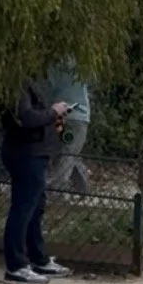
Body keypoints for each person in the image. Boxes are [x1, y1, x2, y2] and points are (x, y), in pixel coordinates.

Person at [1, 81, 72, 284]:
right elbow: (26, 117)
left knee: (35, 208)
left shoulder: (28, 82)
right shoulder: (16, 85)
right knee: (23, 209)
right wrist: (52, 112)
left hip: (36, 153)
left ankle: (37, 258)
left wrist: (54, 115)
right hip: (26, 153)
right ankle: (16, 266)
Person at [46, 61, 92, 194]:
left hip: (57, 114)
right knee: (69, 153)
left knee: (64, 153)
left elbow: (48, 88)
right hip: (78, 115)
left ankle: (77, 187)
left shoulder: (51, 64)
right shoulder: (81, 62)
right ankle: (55, 191)